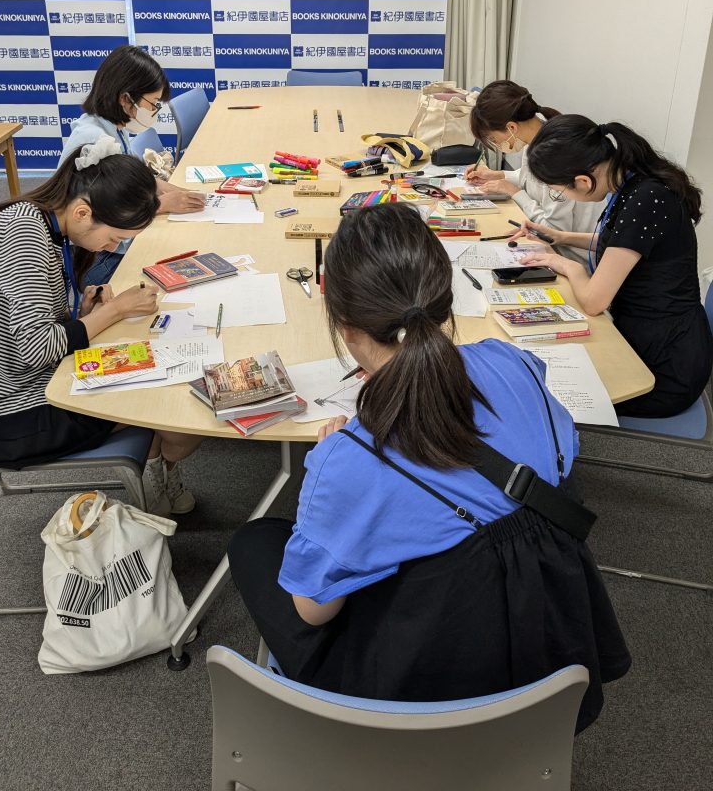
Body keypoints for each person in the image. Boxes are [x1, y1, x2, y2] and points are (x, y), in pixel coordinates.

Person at [227, 203, 630, 732]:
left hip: (417, 698)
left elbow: (313, 610)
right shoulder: (514, 362)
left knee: (255, 542)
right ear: (444, 298)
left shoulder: (347, 459)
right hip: (551, 646)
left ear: (345, 327)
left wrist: (324, 477)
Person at [0, 137, 200, 514]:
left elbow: (32, 323)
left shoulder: (44, 223)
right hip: (19, 408)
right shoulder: (23, 233)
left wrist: (84, 313)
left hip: (44, 378)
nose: (110, 247)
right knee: (175, 411)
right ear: (84, 212)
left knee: (166, 380)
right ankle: (155, 478)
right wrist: (112, 312)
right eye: (114, 237)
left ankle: (156, 471)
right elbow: (36, 348)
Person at [513, 115, 713, 418]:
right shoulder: (633, 183)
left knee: (537, 396)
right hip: (641, 337)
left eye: (559, 191)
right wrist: (560, 237)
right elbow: (623, 244)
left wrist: (566, 264)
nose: (562, 197)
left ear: (583, 180)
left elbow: (594, 301)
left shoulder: (646, 199)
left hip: (663, 366)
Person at [59, 44, 206, 285]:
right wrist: (162, 204)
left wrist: (169, 190)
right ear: (126, 99)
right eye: (153, 103)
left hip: (108, 242)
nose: (155, 111)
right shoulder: (93, 139)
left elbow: (131, 182)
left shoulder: (113, 127)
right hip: (96, 256)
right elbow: (100, 214)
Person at [465, 80, 605, 262]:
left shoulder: (555, 155)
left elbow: (554, 230)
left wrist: (514, 192)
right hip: (559, 247)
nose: (495, 144)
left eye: (492, 138)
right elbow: (530, 179)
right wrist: (498, 175)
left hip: (573, 256)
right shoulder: (537, 137)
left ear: (511, 127)